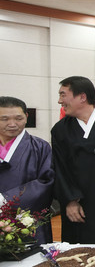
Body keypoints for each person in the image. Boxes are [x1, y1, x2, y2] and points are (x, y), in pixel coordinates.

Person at [51, 76, 95, 243]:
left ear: (82, 97)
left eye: (63, 95)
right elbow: (59, 168)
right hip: (78, 206)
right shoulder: (60, 129)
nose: (60, 101)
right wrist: (70, 201)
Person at [0, 96, 54, 244]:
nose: (12, 124)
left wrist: (5, 199)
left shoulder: (40, 147)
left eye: (18, 118)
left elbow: (46, 182)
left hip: (28, 220)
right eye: (4, 119)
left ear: (26, 117)